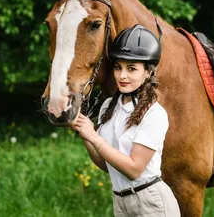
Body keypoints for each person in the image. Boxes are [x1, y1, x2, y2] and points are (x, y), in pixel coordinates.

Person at [71, 23, 181, 217]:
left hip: (151, 204)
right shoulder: (108, 108)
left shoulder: (154, 114)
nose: (122, 76)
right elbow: (107, 165)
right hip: (120, 202)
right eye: (118, 67)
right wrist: (85, 135)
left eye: (131, 69)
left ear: (148, 72)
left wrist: (94, 137)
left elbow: (134, 169)